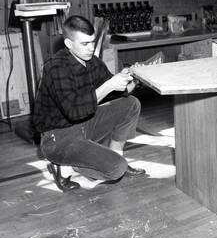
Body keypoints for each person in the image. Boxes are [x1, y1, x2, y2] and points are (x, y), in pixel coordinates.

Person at [33, 15, 145, 191]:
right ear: (69, 44)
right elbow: (74, 111)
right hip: (58, 138)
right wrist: (109, 85)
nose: (91, 48)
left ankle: (115, 154)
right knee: (117, 169)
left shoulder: (92, 61)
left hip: (84, 123)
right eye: (85, 44)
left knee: (131, 104)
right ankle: (66, 165)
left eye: (92, 42)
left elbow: (118, 93)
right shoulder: (55, 68)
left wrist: (134, 78)